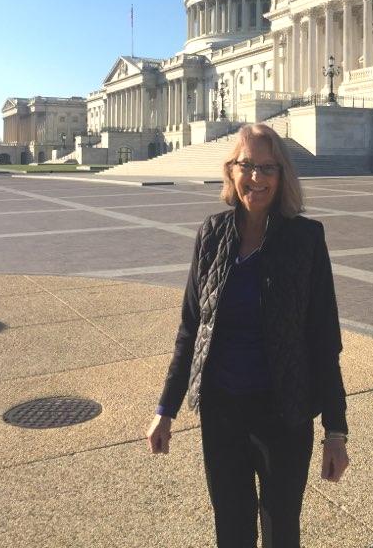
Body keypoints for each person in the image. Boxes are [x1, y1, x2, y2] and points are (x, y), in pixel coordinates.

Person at [147, 123, 349, 548]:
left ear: (282, 175)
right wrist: (166, 408)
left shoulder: (305, 239)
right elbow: (191, 327)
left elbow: (323, 338)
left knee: (281, 531)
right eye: (246, 166)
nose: (256, 178)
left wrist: (335, 431)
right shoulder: (212, 234)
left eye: (268, 168)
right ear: (230, 170)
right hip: (222, 413)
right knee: (232, 530)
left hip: (284, 411)